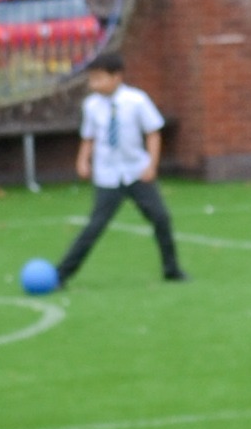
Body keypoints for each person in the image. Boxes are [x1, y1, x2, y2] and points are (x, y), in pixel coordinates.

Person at [54, 50, 185, 285]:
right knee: (95, 226)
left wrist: (151, 165)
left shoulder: (137, 100)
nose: (94, 84)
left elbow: (153, 133)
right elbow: (89, 137)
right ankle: (62, 274)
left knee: (160, 218)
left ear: (116, 77)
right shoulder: (92, 106)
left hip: (137, 171)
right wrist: (83, 160)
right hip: (108, 175)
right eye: (92, 79)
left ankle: (172, 269)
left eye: (99, 78)